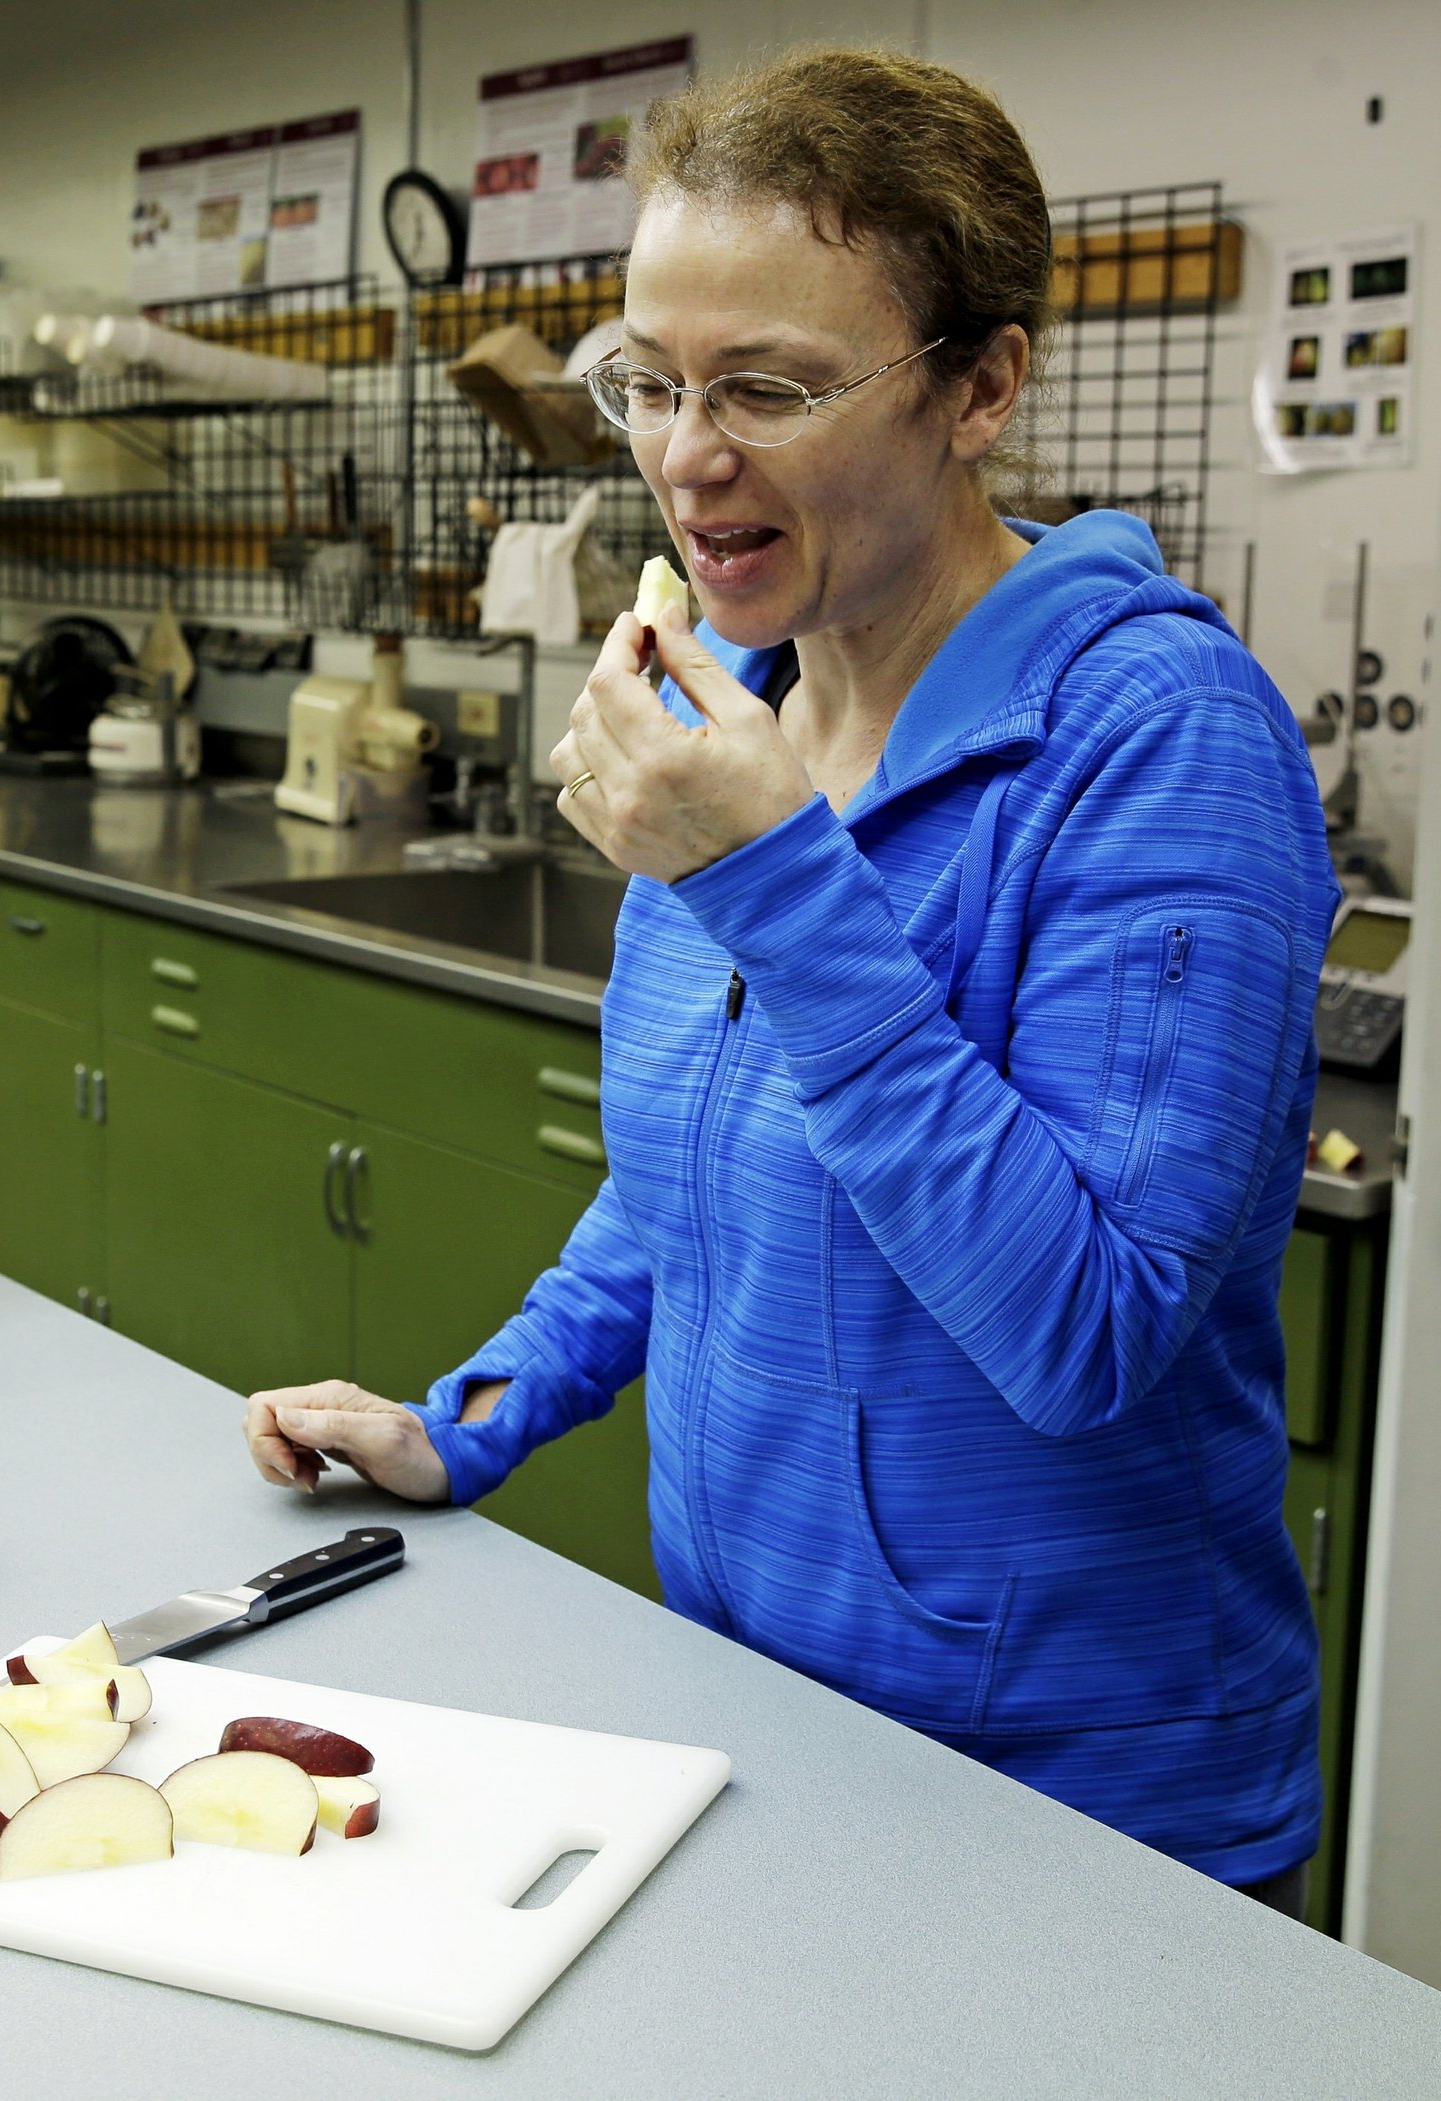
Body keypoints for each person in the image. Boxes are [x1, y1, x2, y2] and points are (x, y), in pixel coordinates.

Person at [243, 49, 1339, 1914]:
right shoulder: (742, 706)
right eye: (652, 382)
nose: (685, 455)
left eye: (767, 386)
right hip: (761, 1724)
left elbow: (1090, 1331)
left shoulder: (1160, 742)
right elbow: (697, 1174)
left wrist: (776, 883)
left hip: (1079, 1818)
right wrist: (477, 1415)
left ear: (981, 385)